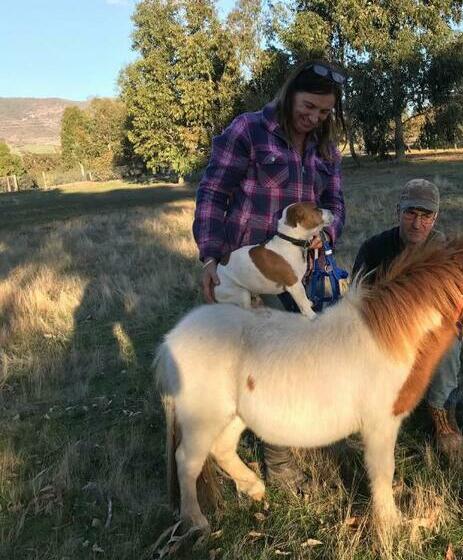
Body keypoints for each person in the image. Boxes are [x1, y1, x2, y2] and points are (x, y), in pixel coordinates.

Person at [192, 59, 347, 493]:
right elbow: (213, 193)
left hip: (307, 270)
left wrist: (326, 234)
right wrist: (210, 258)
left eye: (324, 112)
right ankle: (279, 462)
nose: (314, 118)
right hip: (253, 273)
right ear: (289, 93)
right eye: (309, 106)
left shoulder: (326, 148)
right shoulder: (247, 131)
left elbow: (335, 200)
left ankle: (307, 428)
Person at [352, 178, 463, 457]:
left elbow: (458, 303)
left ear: (435, 218)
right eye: (411, 213)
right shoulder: (373, 249)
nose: (417, 223)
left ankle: (440, 410)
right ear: (397, 212)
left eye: (426, 216)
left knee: (449, 343)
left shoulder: (447, 251)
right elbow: (356, 302)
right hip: (385, 329)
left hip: (430, 329)